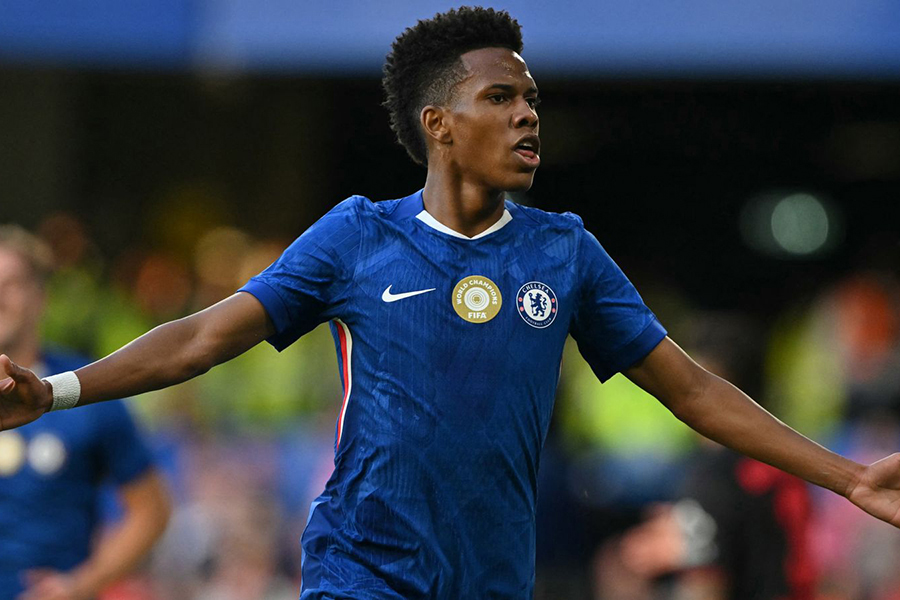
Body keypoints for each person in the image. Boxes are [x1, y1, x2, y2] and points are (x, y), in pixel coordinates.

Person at [1, 7, 899, 599]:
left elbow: (692, 390)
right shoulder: (357, 236)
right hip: (361, 572)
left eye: (531, 100)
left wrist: (849, 477)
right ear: (439, 124)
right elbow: (202, 337)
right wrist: (55, 392)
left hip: (492, 581)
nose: (527, 116)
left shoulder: (564, 252)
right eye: (499, 98)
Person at [0, 226, 171, 600]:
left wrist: (81, 585)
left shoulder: (82, 388)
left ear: (40, 297)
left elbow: (151, 511)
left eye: (10, 284)